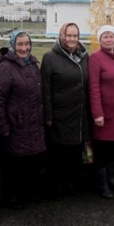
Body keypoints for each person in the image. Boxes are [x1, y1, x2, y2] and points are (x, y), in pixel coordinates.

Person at [0, 31, 45, 209]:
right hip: (16, 124)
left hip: (33, 122)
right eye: (20, 44)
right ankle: (12, 195)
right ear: (13, 45)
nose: (24, 48)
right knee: (14, 163)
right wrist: (3, 126)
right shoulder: (5, 69)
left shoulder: (33, 65)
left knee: (31, 161)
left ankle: (27, 192)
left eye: (27, 44)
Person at [41, 22, 90, 199]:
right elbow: (45, 89)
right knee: (58, 153)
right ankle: (56, 186)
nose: (72, 39)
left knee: (75, 153)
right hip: (59, 115)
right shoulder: (50, 58)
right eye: (68, 35)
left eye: (75, 36)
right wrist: (48, 115)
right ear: (62, 36)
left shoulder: (84, 57)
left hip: (79, 115)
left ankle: (71, 184)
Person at [88, 25, 114, 199]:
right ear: (100, 40)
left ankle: (112, 178)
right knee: (102, 150)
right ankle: (102, 184)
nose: (108, 39)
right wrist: (97, 113)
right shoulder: (95, 58)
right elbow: (94, 87)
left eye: (111, 36)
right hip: (105, 115)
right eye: (105, 36)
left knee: (113, 149)